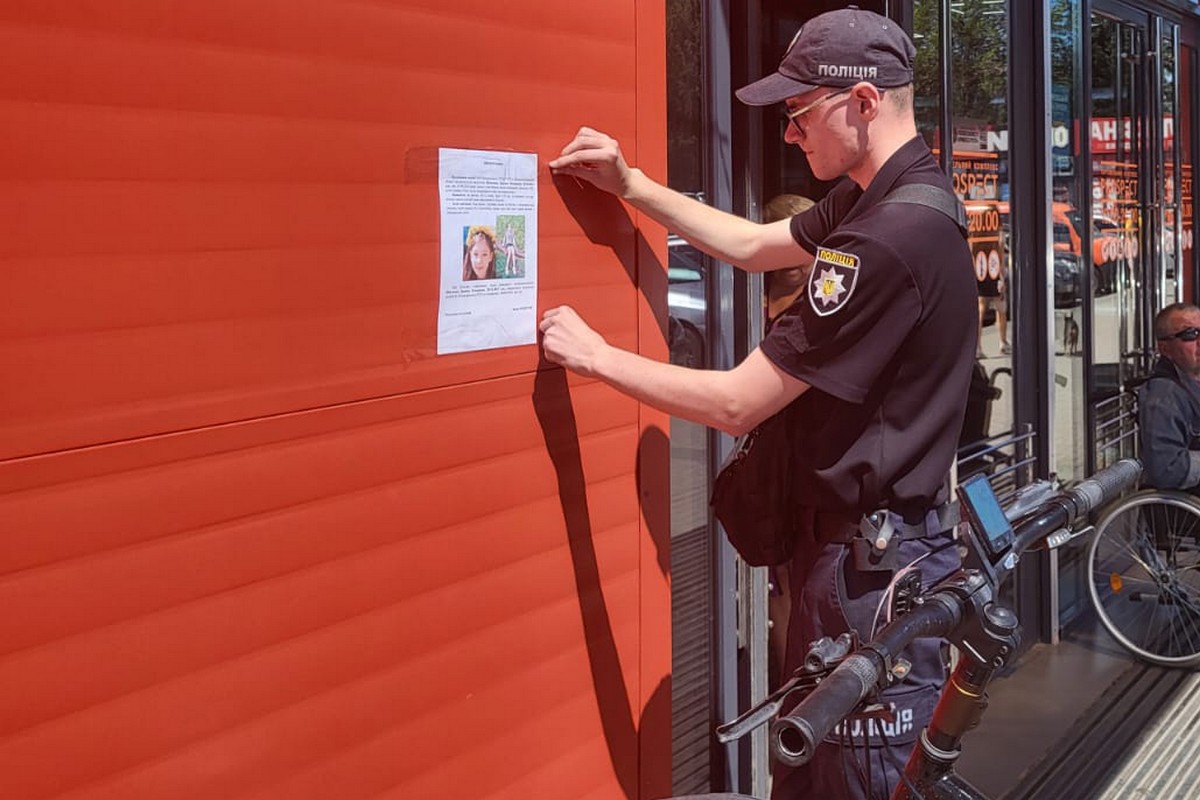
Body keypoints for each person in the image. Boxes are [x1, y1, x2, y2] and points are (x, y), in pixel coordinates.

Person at [541, 8, 976, 799]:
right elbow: (750, 246)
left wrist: (596, 358)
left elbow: (741, 403)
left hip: (865, 572)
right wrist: (631, 184)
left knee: (849, 782)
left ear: (865, 102)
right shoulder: (903, 195)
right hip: (888, 556)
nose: (788, 134)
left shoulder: (884, 238)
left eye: (799, 112)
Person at [1139, 303, 1200, 491]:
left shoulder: (1191, 381)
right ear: (1165, 348)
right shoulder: (1164, 397)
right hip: (1184, 511)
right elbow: (1167, 469)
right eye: (1190, 334)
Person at [762, 194, 816, 326]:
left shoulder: (827, 296)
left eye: (799, 247)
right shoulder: (747, 287)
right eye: (778, 247)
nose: (789, 258)